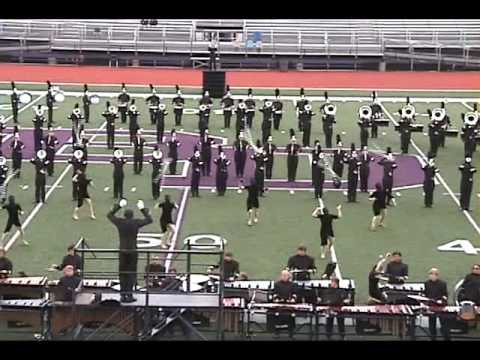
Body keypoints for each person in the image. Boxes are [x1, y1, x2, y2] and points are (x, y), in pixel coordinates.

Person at [107, 199, 153, 302]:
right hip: (133, 250)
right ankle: (130, 294)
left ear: (124, 215)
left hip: (123, 250)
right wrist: (142, 209)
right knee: (131, 273)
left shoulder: (120, 222)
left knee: (122, 273)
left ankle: (123, 295)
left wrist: (118, 206)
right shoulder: (135, 222)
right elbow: (149, 220)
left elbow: (109, 215)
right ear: (132, 216)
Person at [423, 268, 450, 341]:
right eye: (430, 274)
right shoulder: (426, 283)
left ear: (437, 275)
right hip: (431, 305)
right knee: (432, 323)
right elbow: (425, 294)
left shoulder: (442, 283)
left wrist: (441, 300)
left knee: (444, 324)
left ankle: (446, 338)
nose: (432, 276)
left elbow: (445, 295)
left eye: (434, 274)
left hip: (441, 306)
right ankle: (433, 337)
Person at [272, 270, 297, 339]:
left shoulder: (292, 284)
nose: (284, 277)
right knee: (277, 314)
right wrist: (276, 299)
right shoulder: (277, 284)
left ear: (288, 276)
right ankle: (277, 332)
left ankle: (291, 333)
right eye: (283, 275)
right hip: (280, 303)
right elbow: (274, 294)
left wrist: (292, 299)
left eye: (286, 275)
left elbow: (294, 294)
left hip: (290, 304)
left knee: (290, 315)